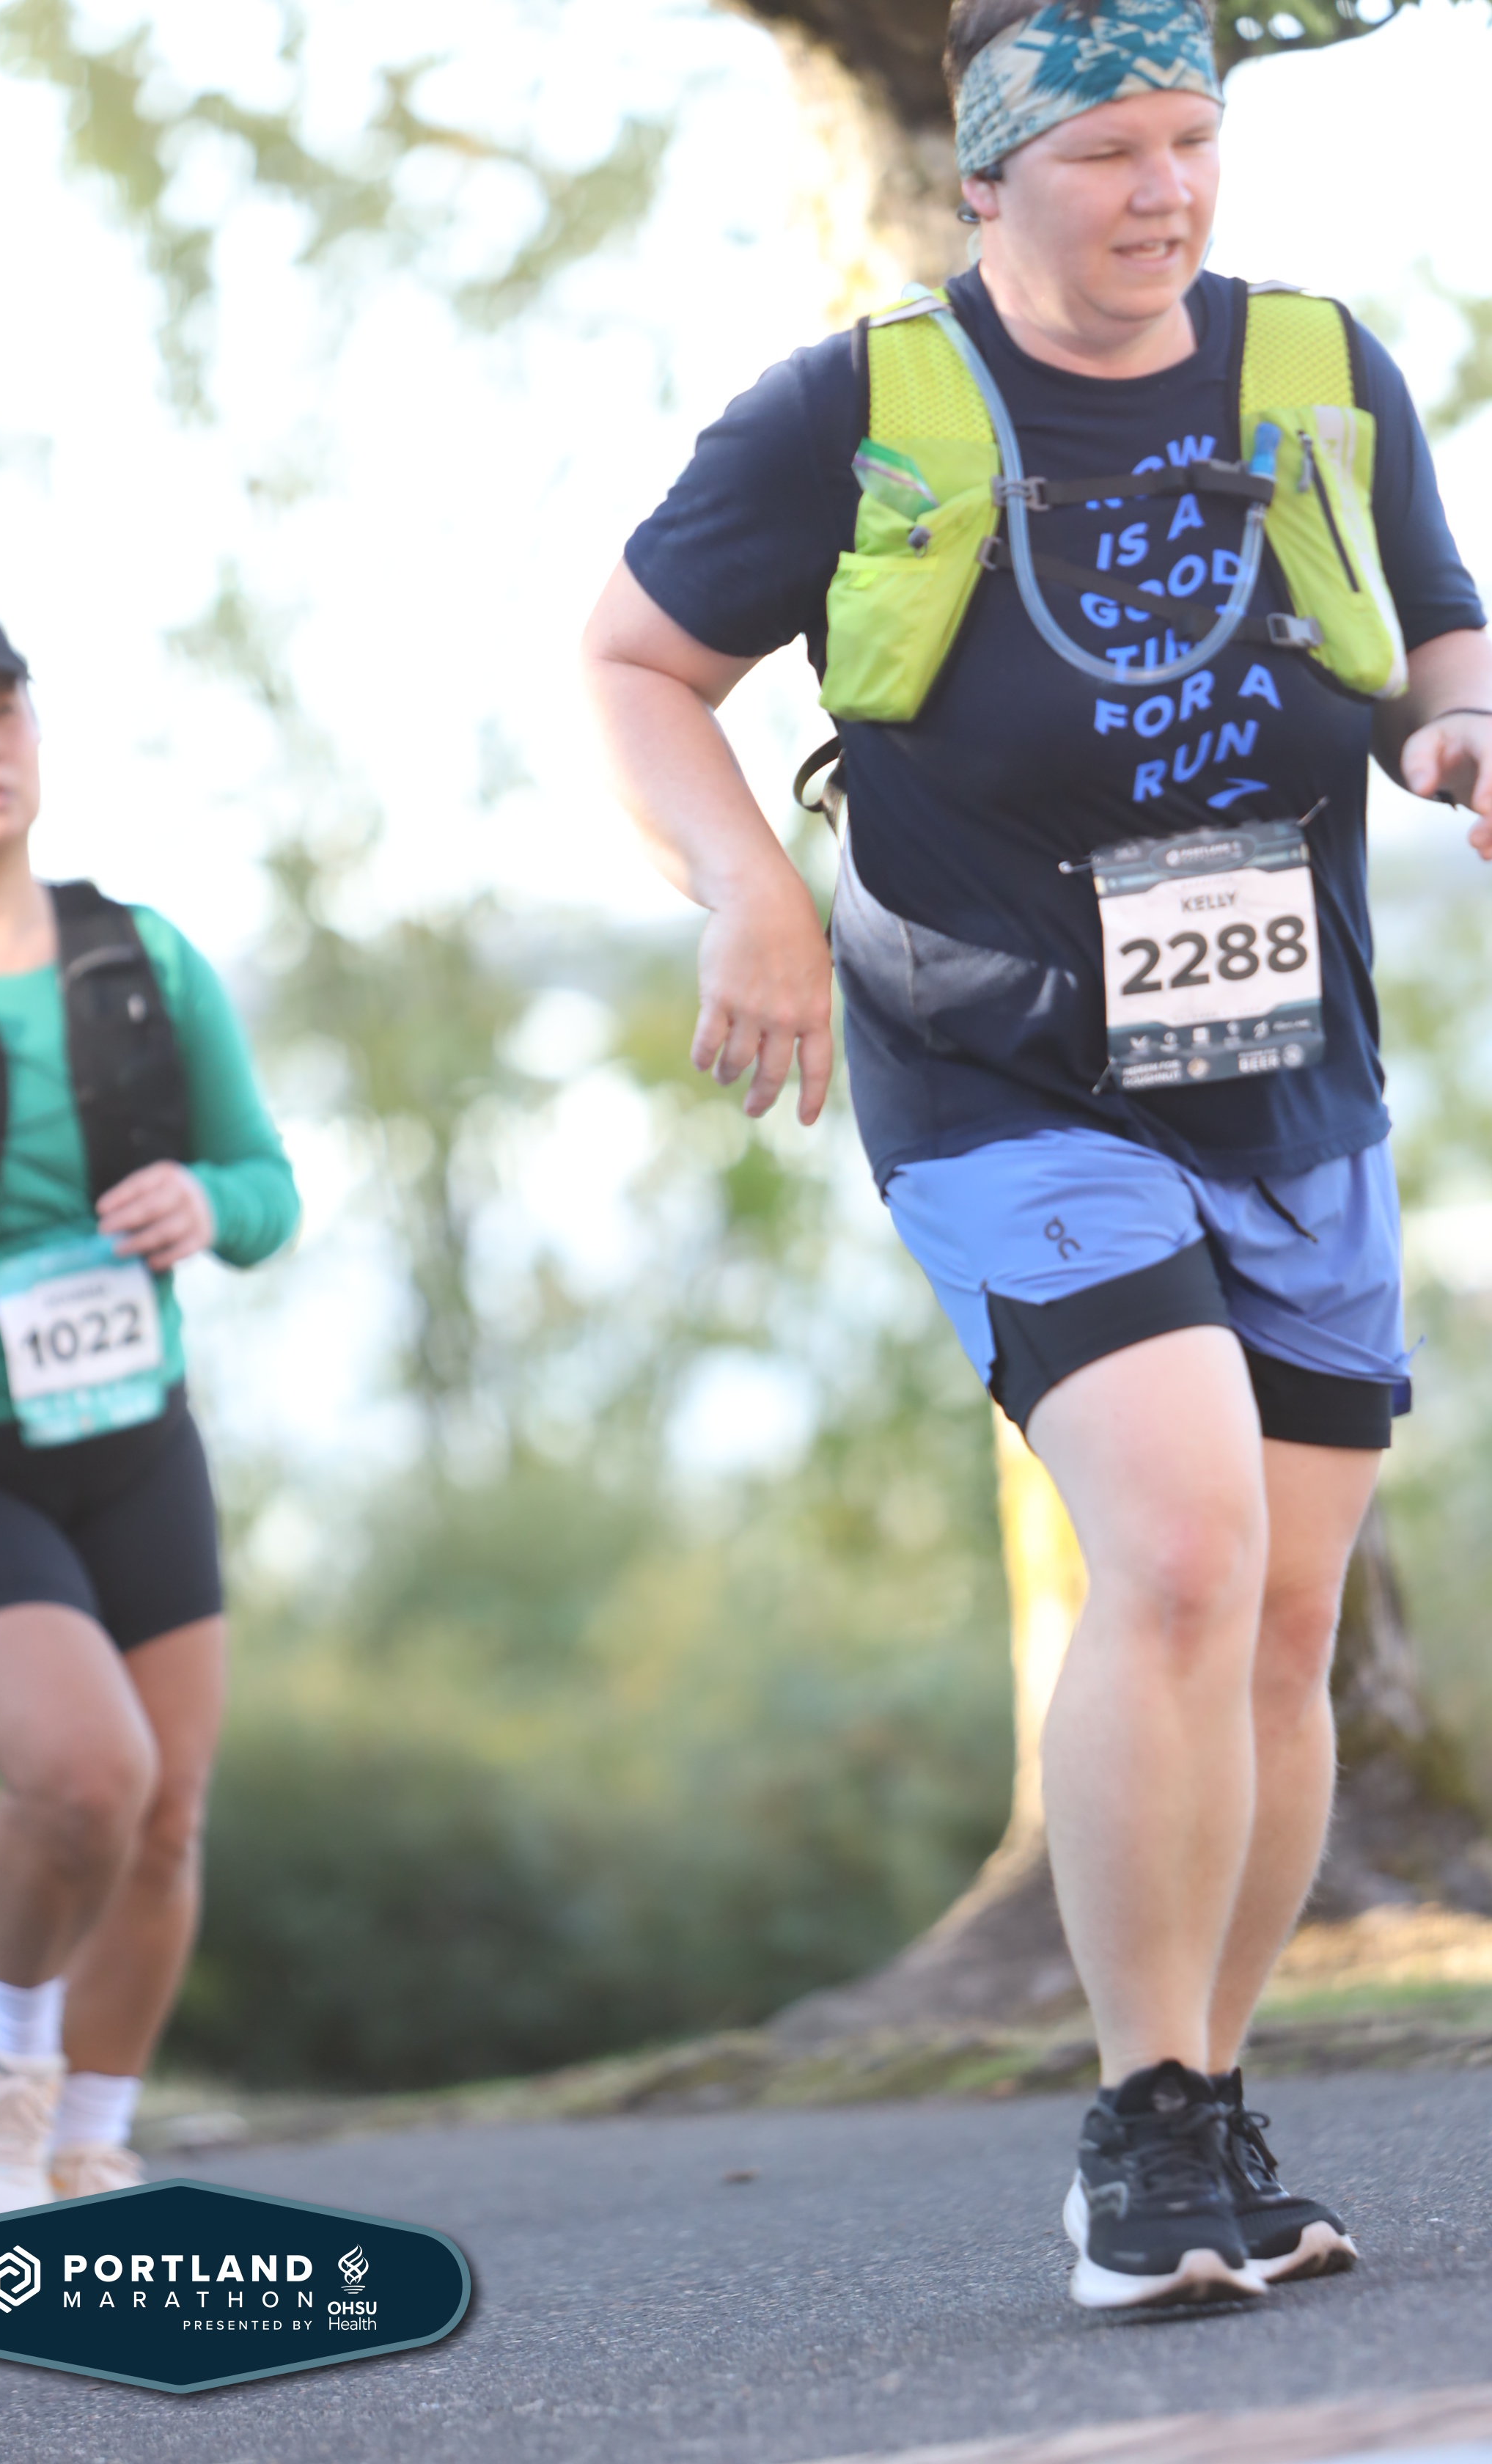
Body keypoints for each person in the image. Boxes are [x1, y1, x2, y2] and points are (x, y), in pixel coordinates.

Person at [582, 0, 1491, 2311]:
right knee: (1178, 1552)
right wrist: (747, 893)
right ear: (988, 178)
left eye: (1190, 137)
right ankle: (1138, 2124)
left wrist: (1461, 729)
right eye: (1106, 152)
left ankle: (1210, 2099)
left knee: (1283, 1622)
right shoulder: (851, 408)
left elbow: (1435, 639)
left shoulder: (1319, 368)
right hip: (998, 1071)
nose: (1163, 189)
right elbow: (635, 661)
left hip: (1290, 1073)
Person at [0, 600, 299, 2221]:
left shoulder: (143, 956)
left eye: (4, 711)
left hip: (131, 1436)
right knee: (85, 1777)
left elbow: (265, 1184)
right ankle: (1, 2068)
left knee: (166, 1817)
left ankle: (90, 2141)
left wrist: (205, 1202)